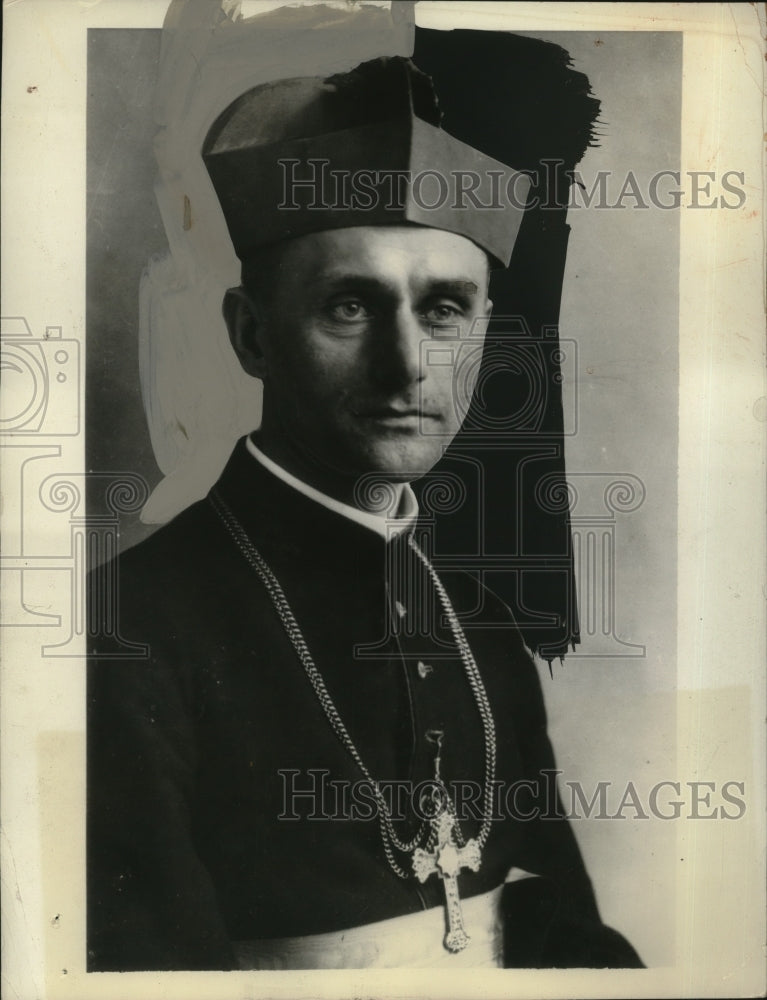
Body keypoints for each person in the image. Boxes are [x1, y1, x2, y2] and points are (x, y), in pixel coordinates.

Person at [87, 55, 642, 971]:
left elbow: (564, 939)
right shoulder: (126, 629)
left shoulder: (481, 626)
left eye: (444, 311)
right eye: (350, 305)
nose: (407, 366)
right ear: (252, 334)